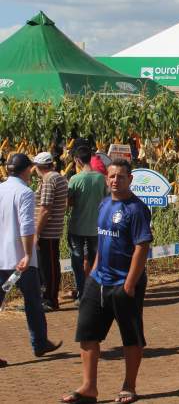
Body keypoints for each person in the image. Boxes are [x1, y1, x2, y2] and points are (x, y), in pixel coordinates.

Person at [63, 159, 152, 404]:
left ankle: (129, 386)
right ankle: (89, 388)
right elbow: (103, 241)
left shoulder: (136, 209)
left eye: (121, 177)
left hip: (124, 284)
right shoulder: (104, 204)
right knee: (87, 334)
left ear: (130, 180)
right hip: (98, 280)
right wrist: (92, 272)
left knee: (131, 337)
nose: (115, 180)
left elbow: (141, 247)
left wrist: (130, 284)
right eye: (111, 176)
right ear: (106, 179)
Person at [0, 153, 62, 362]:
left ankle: (41, 342)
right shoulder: (24, 192)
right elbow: (27, 226)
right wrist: (28, 253)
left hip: (1, 258)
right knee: (33, 301)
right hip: (20, 261)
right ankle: (39, 342)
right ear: (26, 169)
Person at [67, 146, 107, 303]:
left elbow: (68, 202)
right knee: (94, 261)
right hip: (95, 228)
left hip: (77, 227)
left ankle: (82, 293)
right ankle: (94, 292)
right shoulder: (101, 178)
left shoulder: (75, 179)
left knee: (77, 262)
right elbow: (106, 199)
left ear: (77, 160)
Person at [33, 151, 68, 312]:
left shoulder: (49, 180)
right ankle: (47, 297)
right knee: (47, 265)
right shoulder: (56, 178)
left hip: (47, 231)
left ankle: (50, 299)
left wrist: (36, 233)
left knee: (49, 266)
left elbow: (45, 209)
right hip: (50, 230)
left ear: (39, 167)